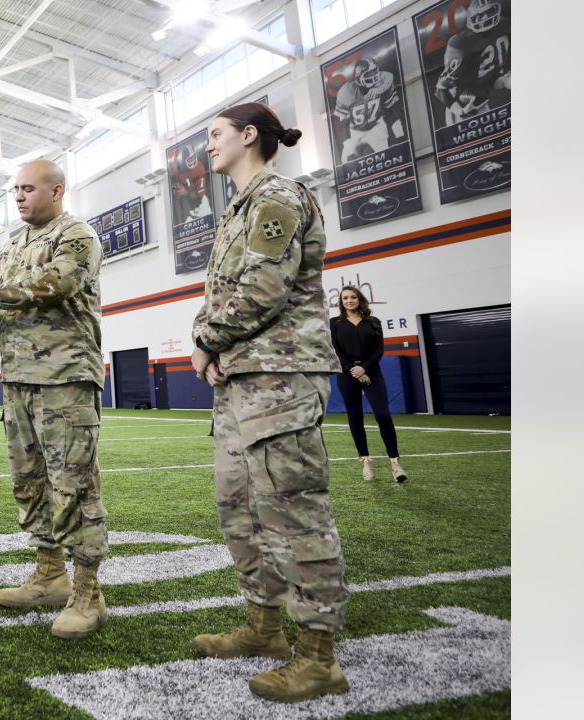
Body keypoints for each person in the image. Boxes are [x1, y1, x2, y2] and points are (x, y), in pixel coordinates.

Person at [189, 102, 351, 703]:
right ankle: (264, 628)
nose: (207, 146)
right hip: (240, 382)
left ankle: (318, 658)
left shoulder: (277, 197)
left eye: (215, 135)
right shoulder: (239, 207)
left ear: (248, 136)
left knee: (294, 515)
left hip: (281, 379)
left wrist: (206, 340)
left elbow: (263, 288)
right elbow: (221, 292)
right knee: (242, 512)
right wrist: (208, 340)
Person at [0, 159, 110, 641]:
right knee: (30, 481)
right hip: (19, 380)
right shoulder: (12, 245)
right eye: (15, 190)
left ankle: (89, 591)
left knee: (74, 484)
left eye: (28, 188)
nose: (19, 197)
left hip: (65, 377)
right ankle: (49, 572)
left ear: (56, 190)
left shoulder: (76, 235)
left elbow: (57, 285)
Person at [330, 286, 408, 482]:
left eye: (353, 297)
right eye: (345, 298)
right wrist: (353, 370)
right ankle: (366, 461)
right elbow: (335, 350)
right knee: (355, 418)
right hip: (347, 374)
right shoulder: (334, 323)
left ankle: (395, 463)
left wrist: (364, 368)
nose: (349, 300)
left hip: (372, 372)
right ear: (341, 302)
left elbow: (378, 350)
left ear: (359, 299)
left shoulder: (373, 322)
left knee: (383, 415)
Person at [434, 0, 510, 121]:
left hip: (481, 102)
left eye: (488, 12)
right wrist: (460, 111)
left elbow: (489, 79)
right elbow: (441, 89)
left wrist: (503, 81)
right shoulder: (461, 43)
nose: (485, 18)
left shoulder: (504, 25)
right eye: (480, 15)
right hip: (462, 104)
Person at [332, 57, 404, 162]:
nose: (374, 76)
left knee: (382, 160)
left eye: (375, 72)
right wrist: (347, 143)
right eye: (369, 74)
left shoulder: (384, 82)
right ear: (358, 77)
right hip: (354, 131)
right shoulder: (347, 92)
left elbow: (392, 112)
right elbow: (341, 123)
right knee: (346, 161)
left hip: (376, 127)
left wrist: (400, 136)